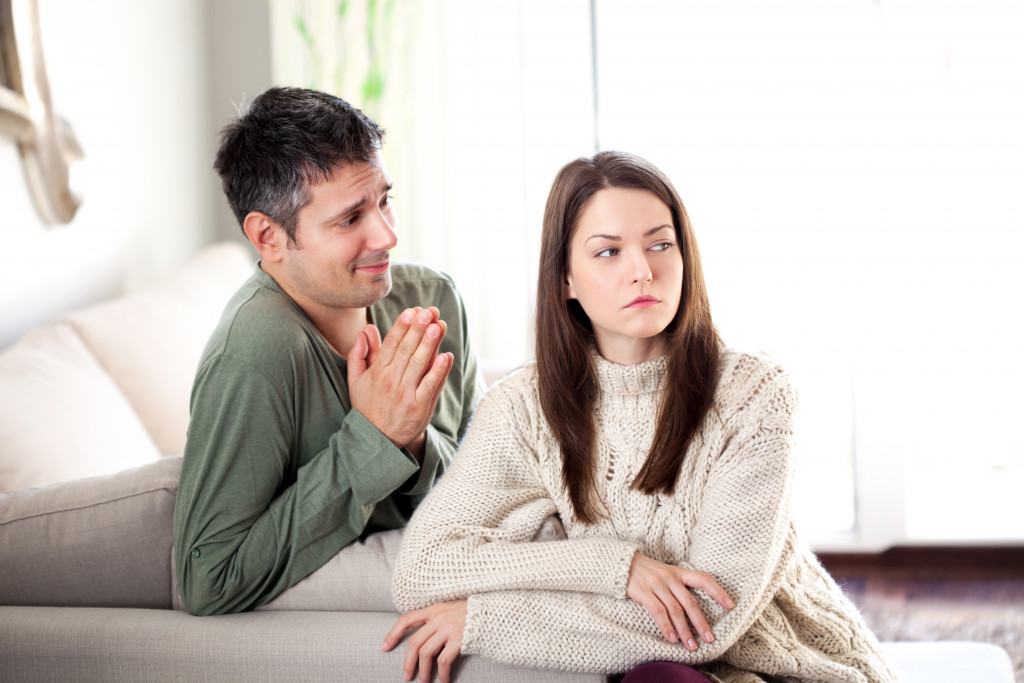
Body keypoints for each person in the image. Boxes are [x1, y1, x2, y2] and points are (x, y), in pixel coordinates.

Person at [384, 151, 896, 683]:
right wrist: (616, 567)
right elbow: (423, 568)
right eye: (608, 252)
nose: (642, 271)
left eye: (660, 244)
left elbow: (712, 616)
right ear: (566, 279)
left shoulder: (753, 394)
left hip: (798, 672)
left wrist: (485, 618)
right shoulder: (522, 408)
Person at [173, 87, 484, 616]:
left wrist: (411, 444)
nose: (386, 236)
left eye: (384, 200)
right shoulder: (255, 354)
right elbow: (209, 580)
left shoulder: (433, 298)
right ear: (268, 236)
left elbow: (484, 480)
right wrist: (376, 437)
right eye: (350, 218)